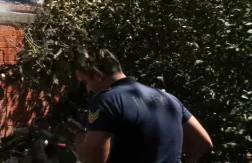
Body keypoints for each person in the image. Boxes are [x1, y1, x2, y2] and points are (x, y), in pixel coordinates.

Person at [69, 52, 213, 163]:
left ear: (98, 75)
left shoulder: (106, 100)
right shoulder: (170, 99)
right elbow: (203, 142)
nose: (87, 89)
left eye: (85, 82)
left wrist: (80, 136)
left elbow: (95, 158)